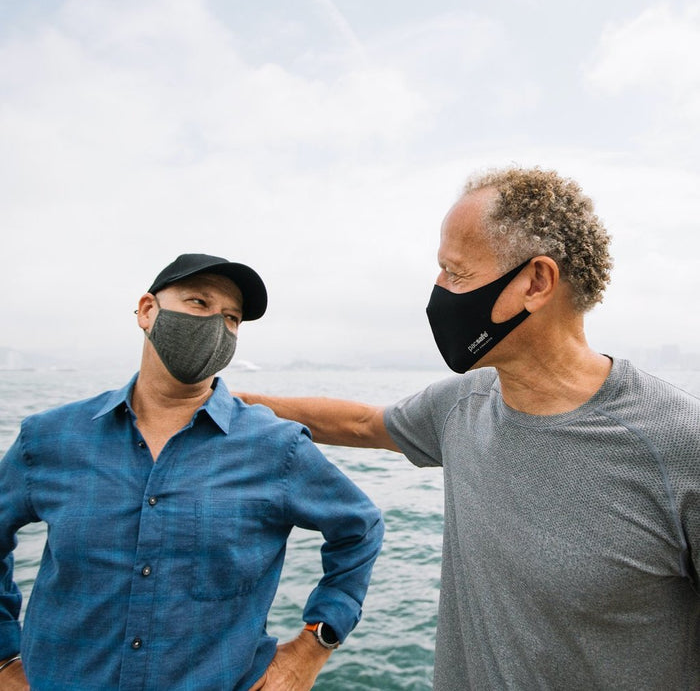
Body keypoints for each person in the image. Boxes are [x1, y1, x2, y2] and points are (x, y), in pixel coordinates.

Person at [236, 168, 700, 690]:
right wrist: (223, 401)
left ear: (536, 282)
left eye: (455, 273)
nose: (438, 293)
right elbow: (362, 424)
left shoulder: (680, 446)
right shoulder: (462, 405)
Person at [0, 253, 384, 691]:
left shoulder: (276, 446)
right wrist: (4, 657)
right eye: (199, 303)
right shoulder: (50, 437)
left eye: (231, 318)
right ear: (147, 311)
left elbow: (360, 528)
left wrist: (311, 649)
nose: (217, 325)